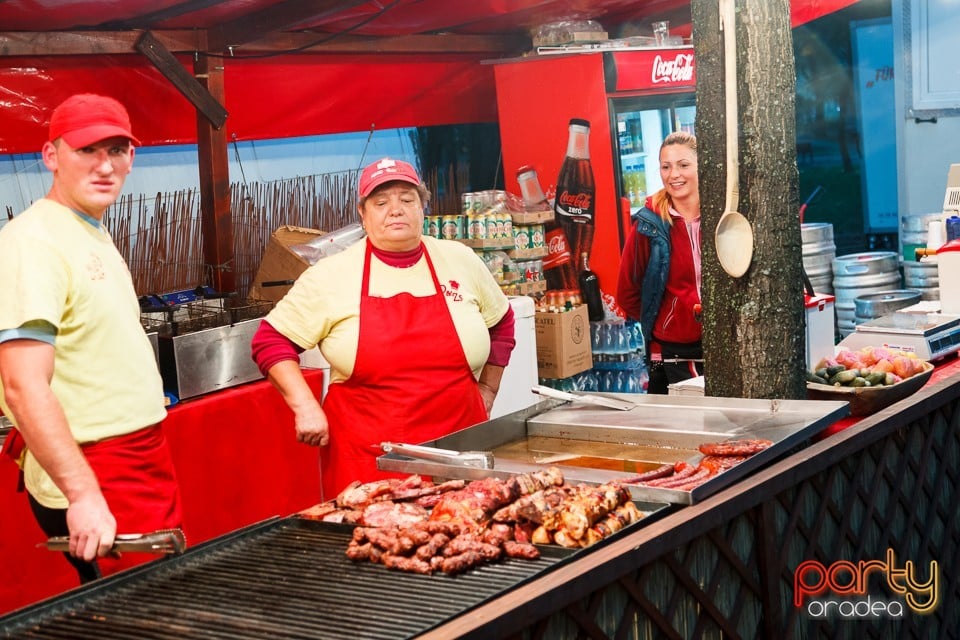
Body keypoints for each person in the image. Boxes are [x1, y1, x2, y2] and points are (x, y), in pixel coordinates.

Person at [251, 157, 516, 499]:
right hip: (370, 460)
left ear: (423, 207)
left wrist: (489, 390)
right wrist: (304, 405)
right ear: (363, 214)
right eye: (381, 202)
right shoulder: (332, 274)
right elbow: (270, 342)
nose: (396, 210)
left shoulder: (460, 259)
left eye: (407, 199)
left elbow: (503, 322)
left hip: (459, 448)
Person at [0, 94, 182, 583]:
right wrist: (82, 494)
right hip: (99, 466)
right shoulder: (33, 242)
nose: (106, 166)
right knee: (139, 615)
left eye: (117, 150)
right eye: (87, 150)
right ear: (51, 156)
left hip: (134, 456)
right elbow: (22, 385)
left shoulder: (85, 228)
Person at [616, 131, 703, 394]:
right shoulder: (649, 225)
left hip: (723, 344)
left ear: (702, 167)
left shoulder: (722, 216)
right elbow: (626, 294)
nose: (674, 174)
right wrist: (667, 320)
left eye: (683, 165)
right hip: (673, 352)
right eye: (666, 167)